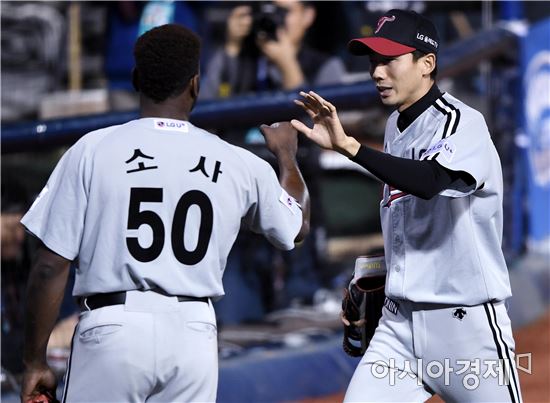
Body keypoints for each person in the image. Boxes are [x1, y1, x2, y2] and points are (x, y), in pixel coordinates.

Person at [20, 24, 310, 403]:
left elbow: (49, 266)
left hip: (114, 328)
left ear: (137, 79)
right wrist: (287, 156)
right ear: (195, 84)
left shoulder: (92, 149)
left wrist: (33, 361)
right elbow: (297, 226)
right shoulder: (236, 160)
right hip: (194, 334)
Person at [291, 9, 522, 402]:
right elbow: (411, 220)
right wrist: (378, 271)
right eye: (373, 61)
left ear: (426, 63)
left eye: (389, 60)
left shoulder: (461, 122)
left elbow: (430, 182)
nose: (377, 72)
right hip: (397, 327)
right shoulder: (396, 125)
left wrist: (350, 147)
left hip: (464, 327)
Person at [200, 0, 347, 99]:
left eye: (284, 11)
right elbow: (205, 108)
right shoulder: (242, 56)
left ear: (308, 16)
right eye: (271, 9)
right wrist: (231, 47)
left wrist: (288, 66)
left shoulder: (326, 66)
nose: (275, 18)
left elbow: (319, 132)